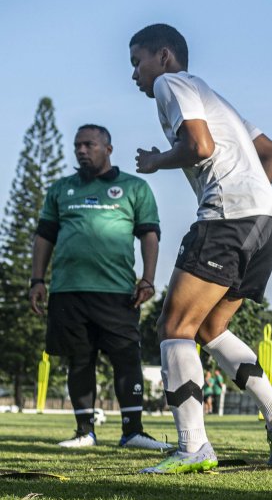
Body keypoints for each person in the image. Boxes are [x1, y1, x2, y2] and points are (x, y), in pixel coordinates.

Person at [128, 23, 272, 474]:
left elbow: (199, 146)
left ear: (163, 56)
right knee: (209, 330)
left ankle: (193, 446)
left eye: (136, 62)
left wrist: (155, 162)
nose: (135, 75)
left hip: (229, 218)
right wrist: (252, 198)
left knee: (174, 325)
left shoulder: (173, 83)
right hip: (270, 221)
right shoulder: (214, 97)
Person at [29, 124, 172, 452]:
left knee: (126, 357)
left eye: (89, 144)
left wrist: (148, 279)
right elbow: (44, 237)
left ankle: (133, 431)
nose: (81, 150)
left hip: (116, 290)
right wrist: (37, 280)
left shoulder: (134, 188)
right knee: (79, 359)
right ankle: (84, 431)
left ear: (107, 148)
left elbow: (149, 234)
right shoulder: (60, 189)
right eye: (77, 145)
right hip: (68, 289)